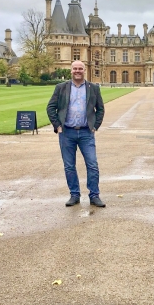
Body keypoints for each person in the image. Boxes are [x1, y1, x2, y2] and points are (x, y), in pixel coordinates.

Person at [46, 60, 106, 207]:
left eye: (80, 68)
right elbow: (50, 107)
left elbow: (100, 109)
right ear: (71, 70)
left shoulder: (93, 88)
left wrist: (95, 126)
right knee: (69, 166)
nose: (77, 71)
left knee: (92, 164)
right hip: (67, 132)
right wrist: (57, 126)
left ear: (84, 70)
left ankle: (94, 195)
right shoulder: (61, 87)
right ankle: (74, 194)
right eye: (75, 69)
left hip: (86, 132)